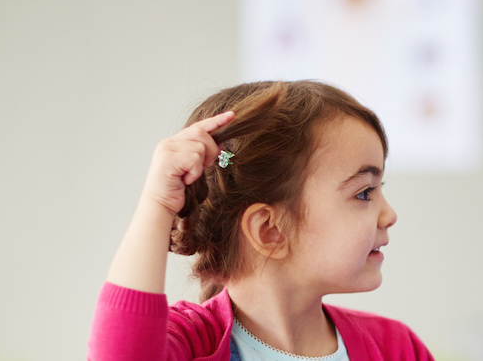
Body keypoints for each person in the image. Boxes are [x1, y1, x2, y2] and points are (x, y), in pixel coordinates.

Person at [89, 81, 434, 361]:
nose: (389, 215)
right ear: (270, 230)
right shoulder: (193, 345)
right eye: (364, 193)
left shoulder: (395, 349)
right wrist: (158, 204)